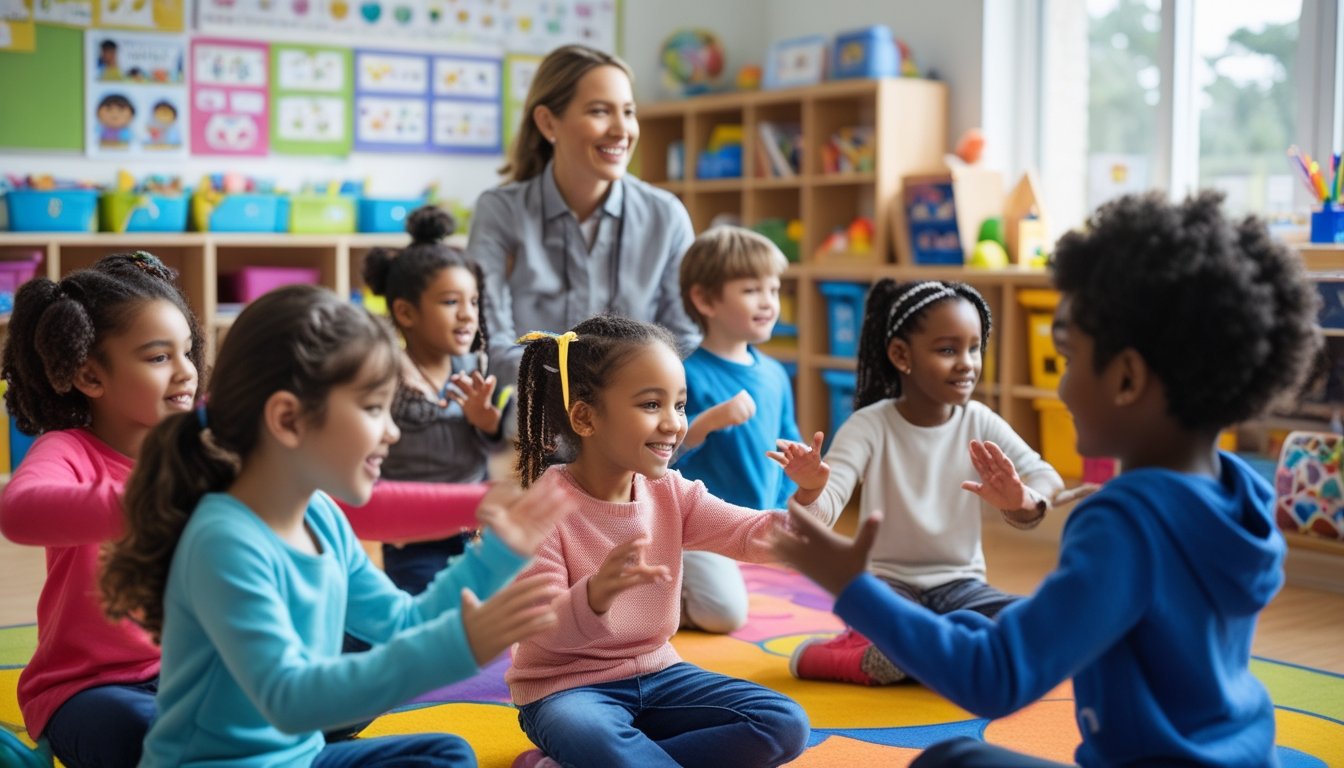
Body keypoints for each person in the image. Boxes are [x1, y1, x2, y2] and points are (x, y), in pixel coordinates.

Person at [771, 190, 1321, 767]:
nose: (1060, 386)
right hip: (1250, 756)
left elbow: (996, 679)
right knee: (966, 641)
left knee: (947, 761)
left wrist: (849, 586)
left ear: (1127, 378)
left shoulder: (1124, 522)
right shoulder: (1244, 493)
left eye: (1067, 359)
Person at [0, 254, 508, 766]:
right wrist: (173, 495)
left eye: (188, 353)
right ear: (90, 375)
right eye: (158, 358)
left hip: (231, 675)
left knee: (380, 651)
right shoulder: (68, 450)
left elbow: (346, 506)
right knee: (152, 736)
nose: (186, 372)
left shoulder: (215, 443)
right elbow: (21, 513)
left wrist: (484, 503)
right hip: (99, 688)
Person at [97, 285, 566, 767]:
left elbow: (402, 623)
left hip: (300, 756)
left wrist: (496, 556)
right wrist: (454, 648)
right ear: (288, 419)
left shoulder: (321, 517)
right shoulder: (223, 539)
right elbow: (289, 699)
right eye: (372, 409)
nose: (392, 431)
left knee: (446, 754)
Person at [505, 315, 812, 768]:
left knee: (782, 721)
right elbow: (542, 629)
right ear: (585, 417)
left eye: (681, 405)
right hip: (565, 691)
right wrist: (596, 593)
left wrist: (806, 497)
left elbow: (757, 538)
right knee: (592, 734)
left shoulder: (672, 491)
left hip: (660, 675)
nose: (674, 423)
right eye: (652, 405)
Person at [779, 278, 1078, 686]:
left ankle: (930, 643)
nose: (967, 363)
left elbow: (1047, 476)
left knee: (1038, 623)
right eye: (947, 350)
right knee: (903, 637)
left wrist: (1023, 500)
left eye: (974, 348)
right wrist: (812, 487)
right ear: (902, 355)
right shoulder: (869, 425)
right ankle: (827, 656)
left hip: (962, 586)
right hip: (888, 586)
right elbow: (825, 508)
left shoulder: (980, 420)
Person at [465, 44, 699, 391]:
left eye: (629, 112)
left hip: (636, 426)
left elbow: (685, 342)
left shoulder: (666, 216)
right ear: (548, 122)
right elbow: (489, 340)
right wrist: (570, 405)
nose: (622, 130)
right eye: (600, 111)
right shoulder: (500, 212)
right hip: (530, 421)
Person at [364, 204, 512, 594]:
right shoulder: (387, 372)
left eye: (474, 302)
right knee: (431, 617)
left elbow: (493, 443)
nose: (467, 316)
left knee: (493, 614)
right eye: (450, 302)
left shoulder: (473, 365)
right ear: (405, 313)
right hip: (413, 536)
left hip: (473, 530)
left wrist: (487, 422)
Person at [672, 226, 802, 633]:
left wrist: (784, 511)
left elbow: (788, 449)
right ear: (705, 299)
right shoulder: (685, 373)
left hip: (752, 527)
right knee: (725, 614)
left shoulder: (776, 375)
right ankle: (655, 602)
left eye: (774, 289)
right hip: (700, 530)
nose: (768, 302)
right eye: (751, 290)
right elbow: (657, 456)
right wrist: (704, 424)